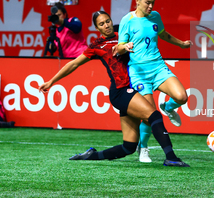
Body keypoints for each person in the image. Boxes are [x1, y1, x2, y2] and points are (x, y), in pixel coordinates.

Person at [38, 11, 189, 167]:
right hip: (121, 91)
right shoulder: (97, 45)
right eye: (101, 24)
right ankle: (170, 157)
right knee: (154, 116)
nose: (106, 25)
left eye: (108, 21)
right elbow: (74, 64)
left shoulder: (123, 34)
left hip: (136, 85)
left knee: (128, 146)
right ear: (97, 28)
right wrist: (51, 81)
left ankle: (91, 156)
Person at [117, 0, 192, 163]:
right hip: (139, 72)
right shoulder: (127, 20)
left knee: (182, 97)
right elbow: (118, 47)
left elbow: (163, 34)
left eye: (153, 3)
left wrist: (181, 43)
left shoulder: (155, 16)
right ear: (137, 1)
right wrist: (124, 46)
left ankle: (168, 107)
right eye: (147, 3)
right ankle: (143, 148)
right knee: (149, 115)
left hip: (158, 68)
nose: (151, 6)